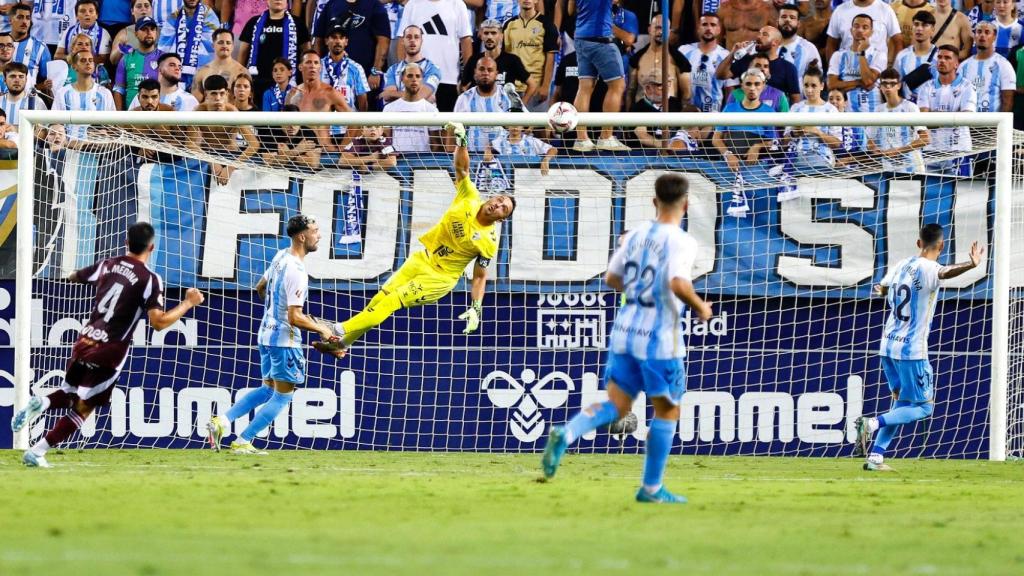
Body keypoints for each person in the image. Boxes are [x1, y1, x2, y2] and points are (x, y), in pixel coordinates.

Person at [540, 172, 712, 504]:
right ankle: (651, 489)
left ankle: (568, 432)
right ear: (686, 205)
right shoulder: (682, 241)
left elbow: (611, 278)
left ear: (654, 201)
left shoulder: (635, 236)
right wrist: (700, 306)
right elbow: (678, 283)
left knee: (617, 405)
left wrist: (638, 290)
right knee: (667, 410)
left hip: (625, 329)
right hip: (659, 336)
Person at [11, 222, 205, 468]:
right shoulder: (149, 279)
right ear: (152, 247)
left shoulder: (107, 264)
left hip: (85, 341)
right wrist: (188, 303)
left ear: (126, 242)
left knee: (70, 391)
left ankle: (43, 402)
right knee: (84, 408)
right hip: (109, 352)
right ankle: (37, 452)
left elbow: (75, 276)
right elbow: (158, 322)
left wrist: (88, 278)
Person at [313, 122, 514, 358]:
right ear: (492, 197)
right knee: (380, 300)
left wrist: (476, 307)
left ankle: (337, 329)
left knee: (392, 301)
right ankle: (343, 344)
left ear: (502, 219)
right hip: (421, 259)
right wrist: (462, 142)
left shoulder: (488, 241)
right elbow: (462, 168)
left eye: (504, 208)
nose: (498, 205)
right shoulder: (469, 197)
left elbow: (480, 276)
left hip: (439, 278)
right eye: (499, 200)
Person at [855, 224, 984, 471]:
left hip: (887, 347)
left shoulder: (902, 264)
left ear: (918, 243)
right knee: (924, 407)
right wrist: (971, 264)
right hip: (911, 351)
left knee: (902, 403)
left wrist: (883, 292)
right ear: (942, 245)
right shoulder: (929, 269)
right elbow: (945, 272)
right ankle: (871, 424)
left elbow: (883, 288)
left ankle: (876, 457)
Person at [207, 215, 334, 454]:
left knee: (267, 388)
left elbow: (260, 287)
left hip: (265, 335)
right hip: (285, 342)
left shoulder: (280, 256)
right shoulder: (297, 271)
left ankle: (221, 422)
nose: (319, 235)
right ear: (302, 237)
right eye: (315, 231)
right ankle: (243, 441)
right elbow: (295, 317)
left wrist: (274, 312)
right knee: (283, 396)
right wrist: (323, 329)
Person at [711, 68, 777, 217]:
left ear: (763, 86)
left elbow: (773, 142)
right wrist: (727, 154)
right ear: (742, 86)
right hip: (728, 170)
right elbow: (716, 138)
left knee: (756, 214)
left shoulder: (769, 112)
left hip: (755, 172)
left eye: (757, 84)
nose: (752, 88)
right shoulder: (730, 109)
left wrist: (757, 146)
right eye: (748, 84)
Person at [569, 0, 631, 151]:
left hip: (581, 39)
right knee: (617, 86)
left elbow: (571, 10)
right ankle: (606, 137)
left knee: (584, 87)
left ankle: (582, 139)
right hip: (601, 39)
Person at [396, 0, 471, 112]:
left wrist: (466, 77)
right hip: (418, 79)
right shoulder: (412, 4)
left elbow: (466, 40)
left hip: (449, 78)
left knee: (447, 121)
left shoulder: (457, 4)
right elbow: (402, 39)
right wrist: (403, 73)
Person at [189, 74, 259, 185]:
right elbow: (190, 144)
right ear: (206, 94)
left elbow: (254, 144)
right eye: (214, 93)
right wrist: (212, 162)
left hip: (230, 156)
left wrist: (230, 168)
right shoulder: (198, 111)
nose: (218, 98)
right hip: (207, 155)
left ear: (226, 93)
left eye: (221, 93)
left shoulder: (232, 112)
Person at [917, 44, 976, 176]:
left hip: (958, 151)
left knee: (961, 188)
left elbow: (965, 118)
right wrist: (953, 117)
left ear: (956, 64)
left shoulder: (968, 87)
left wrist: (934, 117)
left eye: (947, 58)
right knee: (927, 188)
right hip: (930, 151)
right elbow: (923, 121)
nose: (942, 61)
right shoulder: (926, 87)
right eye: (939, 57)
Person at [239, 0, 310, 105]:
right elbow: (243, 54)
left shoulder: (298, 24)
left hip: (288, 84)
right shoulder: (253, 22)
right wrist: (240, 76)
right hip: (258, 83)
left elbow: (307, 53)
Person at [286, 49, 352, 152]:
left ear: (320, 68)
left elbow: (356, 122)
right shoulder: (292, 94)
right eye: (308, 62)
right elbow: (285, 125)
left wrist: (342, 147)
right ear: (300, 67)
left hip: (324, 152)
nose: (312, 66)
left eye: (316, 63)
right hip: (298, 152)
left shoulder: (330, 93)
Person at [866, 68, 929, 173]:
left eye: (892, 83)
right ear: (880, 86)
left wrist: (898, 151)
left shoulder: (910, 107)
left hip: (912, 167)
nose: (888, 87)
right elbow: (870, 140)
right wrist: (875, 150)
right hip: (889, 168)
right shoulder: (878, 110)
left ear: (899, 85)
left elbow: (925, 139)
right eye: (884, 83)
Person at [718, 25, 801, 104]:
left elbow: (795, 99)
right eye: (759, 34)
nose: (758, 37)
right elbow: (720, 75)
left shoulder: (788, 68)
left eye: (764, 34)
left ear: (775, 42)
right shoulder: (746, 60)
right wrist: (733, 53)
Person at [783, 66, 842, 172]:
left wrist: (817, 132)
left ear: (822, 86)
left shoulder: (831, 110)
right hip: (796, 162)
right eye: (806, 85)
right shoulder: (795, 108)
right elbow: (784, 142)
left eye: (813, 86)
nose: (809, 90)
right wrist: (794, 133)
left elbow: (837, 144)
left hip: (822, 163)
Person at [52, 50, 116, 145]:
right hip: (69, 148)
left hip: (97, 148)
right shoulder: (62, 93)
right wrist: (67, 144)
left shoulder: (105, 93)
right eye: (83, 60)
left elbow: (112, 125)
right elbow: (55, 123)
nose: (88, 63)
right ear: (74, 66)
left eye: (90, 60)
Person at [503, 0, 558, 109]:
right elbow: (506, 57)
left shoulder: (547, 25)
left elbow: (550, 58)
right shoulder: (508, 24)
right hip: (512, 89)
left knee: (536, 121)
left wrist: (545, 86)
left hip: (536, 90)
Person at [158, 0, 222, 91]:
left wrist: (190, 37)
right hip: (176, 75)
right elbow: (164, 47)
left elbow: (214, 45)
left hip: (203, 73)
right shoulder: (173, 17)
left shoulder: (209, 16)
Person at [453, 56, 514, 152]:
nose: (485, 73)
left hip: (503, 156)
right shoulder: (464, 99)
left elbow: (525, 126)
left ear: (496, 74)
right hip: (471, 156)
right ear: (475, 72)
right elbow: (453, 131)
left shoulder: (508, 97)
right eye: (481, 69)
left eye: (490, 70)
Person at [828, 14, 887, 112]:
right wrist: (859, 83)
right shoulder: (838, 55)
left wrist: (861, 53)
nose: (860, 30)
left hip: (872, 112)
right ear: (851, 30)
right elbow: (832, 85)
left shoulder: (879, 55)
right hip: (847, 112)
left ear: (871, 32)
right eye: (856, 26)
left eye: (865, 27)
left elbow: (868, 81)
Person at [628, 13, 691, 105]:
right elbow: (630, 91)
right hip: (642, 111)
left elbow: (687, 95)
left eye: (664, 29)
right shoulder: (636, 59)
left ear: (669, 32)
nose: (661, 32)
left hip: (668, 111)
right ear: (649, 29)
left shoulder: (680, 60)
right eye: (658, 28)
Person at [461, 19, 532, 99]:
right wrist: (469, 101)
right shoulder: (474, 60)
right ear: (481, 36)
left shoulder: (512, 60)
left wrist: (521, 104)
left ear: (501, 36)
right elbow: (462, 85)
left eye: (493, 33)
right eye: (486, 33)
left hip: (503, 106)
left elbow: (532, 84)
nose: (489, 37)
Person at [381, 63, 440, 152]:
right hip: (397, 158)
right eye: (410, 76)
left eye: (418, 76)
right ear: (402, 79)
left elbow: (436, 144)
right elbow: (386, 141)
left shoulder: (431, 110)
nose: (414, 79)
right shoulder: (389, 109)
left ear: (422, 80)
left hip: (423, 159)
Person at [679, 12, 730, 115]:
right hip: (686, 113)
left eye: (713, 25)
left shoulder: (726, 56)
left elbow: (730, 89)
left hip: (713, 114)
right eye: (704, 24)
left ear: (719, 30)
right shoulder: (683, 51)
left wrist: (727, 113)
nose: (708, 28)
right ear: (698, 28)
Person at [959, 20, 1015, 113]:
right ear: (974, 36)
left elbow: (1008, 102)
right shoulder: (963, 66)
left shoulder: (1004, 65)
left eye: (987, 32)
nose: (982, 35)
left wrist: (999, 122)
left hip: (993, 121)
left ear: (994, 37)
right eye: (979, 32)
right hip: (967, 121)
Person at [825, 0, 902, 67]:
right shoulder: (840, 10)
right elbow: (831, 44)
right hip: (845, 72)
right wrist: (833, 70)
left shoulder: (886, 9)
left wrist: (895, 70)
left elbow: (898, 42)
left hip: (877, 73)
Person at [382, 24, 442, 103]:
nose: (412, 40)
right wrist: (422, 96)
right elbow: (387, 96)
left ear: (421, 41)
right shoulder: (392, 70)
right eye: (408, 37)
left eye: (416, 37)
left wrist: (394, 93)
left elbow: (421, 95)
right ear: (403, 41)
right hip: (399, 110)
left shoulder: (432, 68)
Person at [113, 17, 162, 111]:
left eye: (152, 29)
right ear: (136, 34)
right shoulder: (126, 58)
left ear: (156, 33)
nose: (149, 32)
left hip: (157, 114)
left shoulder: (164, 58)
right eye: (144, 29)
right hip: (131, 114)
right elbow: (118, 89)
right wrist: (119, 116)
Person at [320, 24, 370, 111]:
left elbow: (363, 101)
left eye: (341, 38)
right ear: (326, 41)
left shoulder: (356, 68)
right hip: (322, 117)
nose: (338, 41)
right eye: (334, 37)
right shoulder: (317, 66)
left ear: (346, 41)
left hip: (348, 118)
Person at [191, 28, 249, 101]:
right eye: (221, 42)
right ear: (213, 45)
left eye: (228, 43)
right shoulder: (202, 72)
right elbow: (195, 102)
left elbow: (246, 104)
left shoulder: (242, 71)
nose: (225, 45)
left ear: (232, 46)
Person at [128, 52, 199, 111]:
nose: (177, 68)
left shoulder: (190, 100)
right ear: (160, 69)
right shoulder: (142, 96)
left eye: (180, 67)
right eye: (172, 65)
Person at [777, 4, 821, 97]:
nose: (787, 20)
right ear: (777, 21)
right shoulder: (767, 45)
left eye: (792, 17)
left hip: (799, 101)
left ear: (798, 23)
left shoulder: (809, 48)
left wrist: (813, 70)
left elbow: (817, 79)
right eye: (784, 17)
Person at [893, 11, 937, 103]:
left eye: (924, 25)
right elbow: (895, 85)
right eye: (916, 24)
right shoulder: (902, 56)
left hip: (932, 108)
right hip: (907, 108)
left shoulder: (939, 56)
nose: (919, 29)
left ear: (933, 29)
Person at [724, 52, 791, 111]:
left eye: (766, 66)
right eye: (757, 66)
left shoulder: (779, 95)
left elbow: (786, 120)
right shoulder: (735, 94)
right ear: (749, 69)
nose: (762, 69)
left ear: (769, 71)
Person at [55, 0, 112, 66]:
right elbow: (57, 56)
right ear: (76, 16)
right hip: (71, 69)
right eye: (82, 11)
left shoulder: (104, 33)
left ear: (97, 15)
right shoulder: (68, 31)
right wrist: (70, 57)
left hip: (93, 70)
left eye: (91, 11)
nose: (87, 14)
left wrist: (79, 57)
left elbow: (104, 59)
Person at [10, 3, 51, 92]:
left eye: (27, 18)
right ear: (11, 20)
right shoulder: (2, 42)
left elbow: (46, 80)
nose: (24, 22)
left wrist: (37, 88)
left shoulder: (40, 47)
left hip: (28, 97)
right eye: (20, 17)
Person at [484, 125, 556, 174]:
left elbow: (553, 149)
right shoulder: (500, 141)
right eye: (512, 124)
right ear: (507, 126)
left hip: (528, 178)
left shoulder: (532, 141)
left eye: (518, 124)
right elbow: (489, 146)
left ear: (523, 126)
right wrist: (487, 151)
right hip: (507, 177)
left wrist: (546, 159)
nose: (515, 127)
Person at [110, 0, 155, 67]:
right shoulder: (124, 33)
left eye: (146, 6)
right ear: (132, 11)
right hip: (132, 71)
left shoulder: (160, 32)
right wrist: (121, 50)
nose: (143, 9)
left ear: (152, 9)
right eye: (139, 6)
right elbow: (113, 61)